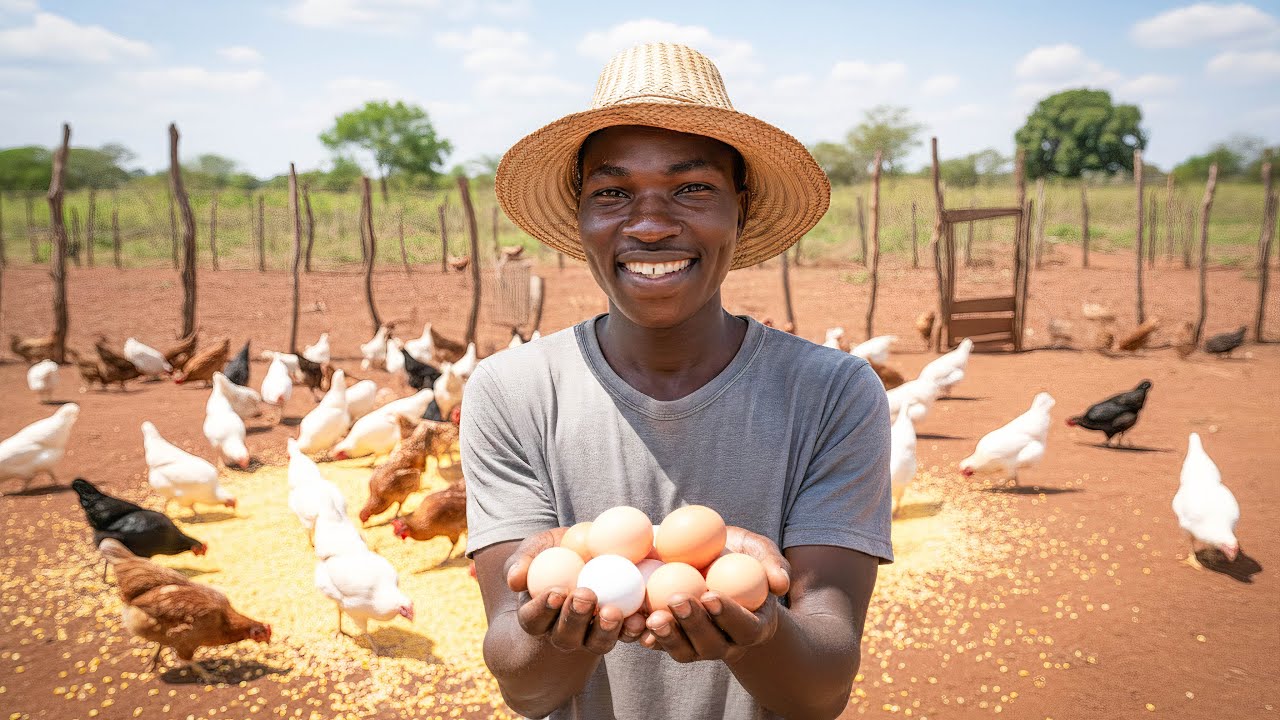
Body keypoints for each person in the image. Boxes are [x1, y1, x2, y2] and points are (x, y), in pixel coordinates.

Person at [463, 42, 892, 720]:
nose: (652, 223)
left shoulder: (831, 394)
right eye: (612, 192)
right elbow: (525, 686)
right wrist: (569, 628)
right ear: (581, 217)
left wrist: (762, 633)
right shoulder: (511, 393)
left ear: (740, 209)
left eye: (692, 188)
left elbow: (822, 688)